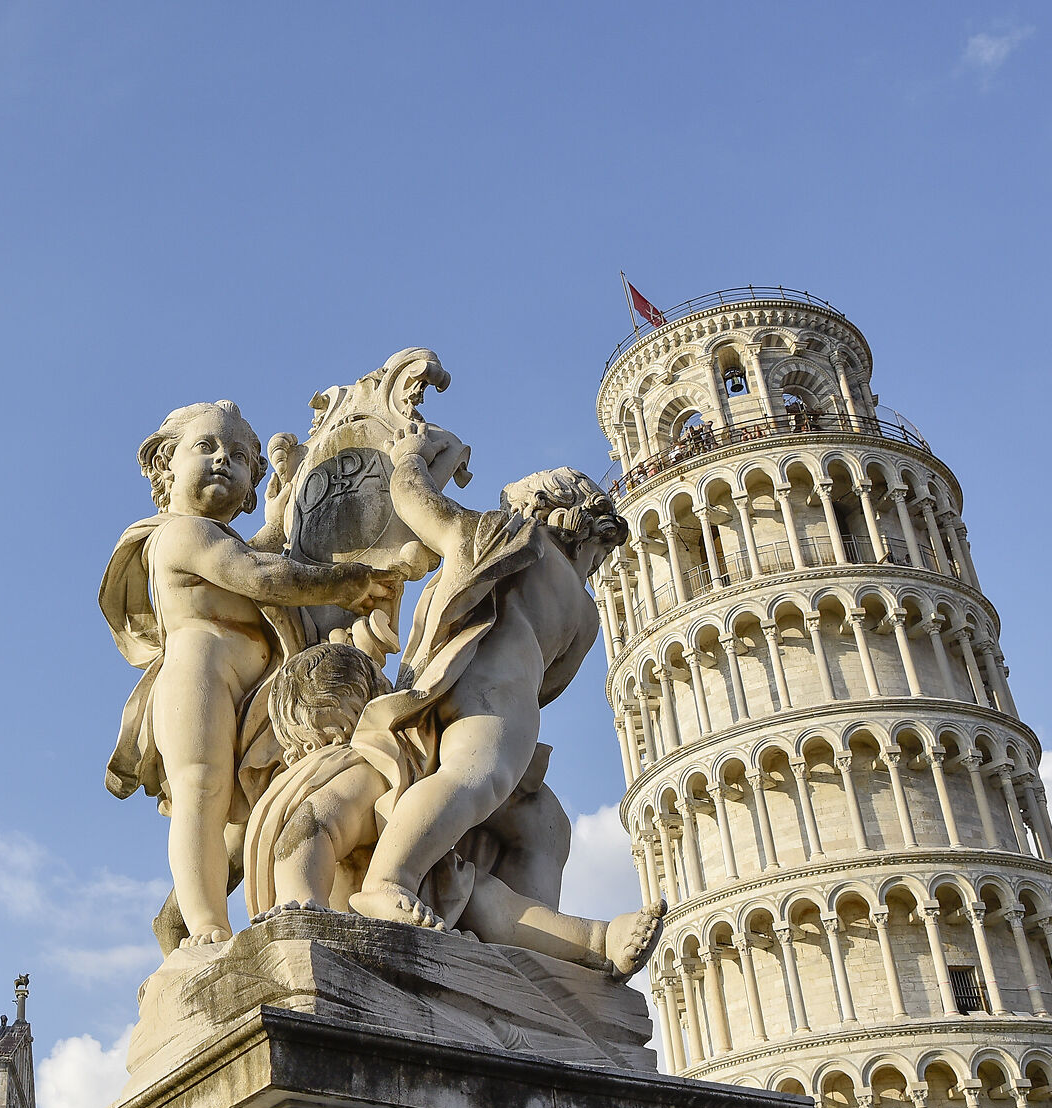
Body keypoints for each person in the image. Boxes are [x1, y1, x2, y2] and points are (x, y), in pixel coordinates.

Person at [101, 401, 401, 948]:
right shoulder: (180, 535)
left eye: (239, 456)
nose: (224, 461)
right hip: (200, 675)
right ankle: (206, 926)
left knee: (244, 819)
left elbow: (255, 553)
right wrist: (346, 585)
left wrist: (282, 513)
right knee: (202, 790)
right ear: (166, 465)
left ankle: (186, 920)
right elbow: (257, 573)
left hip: (255, 696)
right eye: (207, 447)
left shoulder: (220, 538)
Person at [346, 422, 631, 933]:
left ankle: (526, 933)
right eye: (600, 551)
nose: (596, 563)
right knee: (475, 779)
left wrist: (412, 458)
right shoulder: (580, 606)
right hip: (503, 699)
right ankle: (389, 880)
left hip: (445, 679)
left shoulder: (496, 540)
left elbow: (418, 504)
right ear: (583, 530)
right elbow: (551, 683)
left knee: (543, 822)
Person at [241, 641, 660, 978]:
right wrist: (302, 903)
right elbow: (311, 828)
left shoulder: (384, 769)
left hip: (428, 892)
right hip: (357, 913)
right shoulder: (361, 769)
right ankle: (595, 940)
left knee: (492, 902)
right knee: (497, 907)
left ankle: (597, 941)